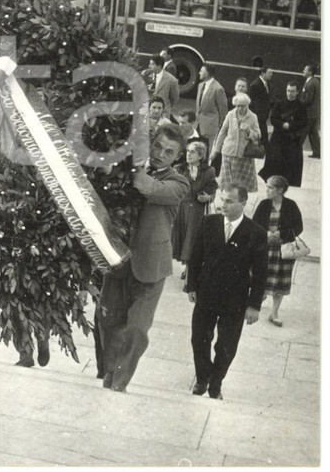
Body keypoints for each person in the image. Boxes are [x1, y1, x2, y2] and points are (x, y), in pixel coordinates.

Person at [99, 123, 189, 392]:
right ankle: (110, 377)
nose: (161, 154)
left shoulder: (178, 184)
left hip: (151, 266)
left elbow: (145, 185)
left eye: (169, 152)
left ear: (177, 158)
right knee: (108, 322)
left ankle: (118, 383)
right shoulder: (132, 165)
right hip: (119, 261)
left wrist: (126, 164)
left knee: (136, 329)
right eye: (158, 146)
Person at [187, 186, 267, 400]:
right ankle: (202, 378)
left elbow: (260, 273)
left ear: (243, 203)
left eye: (230, 201)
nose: (223, 204)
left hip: (236, 299)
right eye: (222, 199)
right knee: (199, 339)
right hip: (206, 293)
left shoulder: (256, 232)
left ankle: (216, 383)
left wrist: (254, 306)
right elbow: (195, 257)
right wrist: (192, 286)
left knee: (227, 345)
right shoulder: (209, 223)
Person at [253, 175, 303, 328]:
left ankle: (274, 313)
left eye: (270, 187)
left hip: (283, 251)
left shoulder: (291, 205)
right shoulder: (263, 205)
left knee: (280, 283)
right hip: (265, 248)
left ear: (280, 190)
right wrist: (266, 234)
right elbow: (254, 224)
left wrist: (281, 235)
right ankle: (255, 305)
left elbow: (298, 227)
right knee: (260, 278)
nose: (267, 190)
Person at [171, 140, 217, 276]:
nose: (188, 154)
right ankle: (188, 268)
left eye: (192, 152)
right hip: (181, 208)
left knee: (192, 238)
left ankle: (190, 271)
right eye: (188, 151)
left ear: (201, 155)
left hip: (197, 209)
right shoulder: (178, 169)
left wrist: (208, 197)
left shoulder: (209, 171)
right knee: (183, 239)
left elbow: (212, 192)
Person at [210, 93, 261, 194]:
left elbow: (258, 135)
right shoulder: (230, 114)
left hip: (244, 156)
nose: (239, 108)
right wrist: (216, 149)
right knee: (226, 182)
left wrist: (249, 130)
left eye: (242, 106)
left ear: (247, 105)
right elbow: (222, 132)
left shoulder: (253, 117)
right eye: (237, 106)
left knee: (240, 184)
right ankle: (226, 199)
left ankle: (238, 201)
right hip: (228, 153)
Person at [259, 82, 308, 187]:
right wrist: (282, 124)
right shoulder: (279, 104)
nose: (290, 93)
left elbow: (303, 122)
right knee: (274, 163)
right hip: (278, 139)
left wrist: (290, 126)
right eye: (288, 91)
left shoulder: (301, 106)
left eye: (292, 91)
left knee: (291, 166)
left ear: (297, 92)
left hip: (292, 141)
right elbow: (273, 119)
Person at [195, 63, 227, 167]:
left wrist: (219, 128)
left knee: (205, 155)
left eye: (201, 71)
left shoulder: (218, 89)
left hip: (210, 127)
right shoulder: (200, 85)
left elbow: (223, 111)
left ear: (207, 73)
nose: (199, 73)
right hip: (198, 125)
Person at [248, 65, 273, 147]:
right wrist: (259, 115)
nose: (271, 74)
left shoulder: (266, 83)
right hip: (259, 115)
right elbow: (253, 102)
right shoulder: (256, 84)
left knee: (262, 134)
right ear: (263, 73)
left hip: (263, 115)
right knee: (262, 134)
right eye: (269, 72)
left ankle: (263, 148)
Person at [300, 65, 320, 158]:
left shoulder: (310, 83)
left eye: (305, 69)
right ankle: (317, 152)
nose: (303, 71)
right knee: (313, 134)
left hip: (308, 114)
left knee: (302, 132)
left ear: (310, 72)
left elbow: (308, 100)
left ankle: (295, 151)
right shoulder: (315, 81)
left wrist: (298, 103)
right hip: (315, 113)